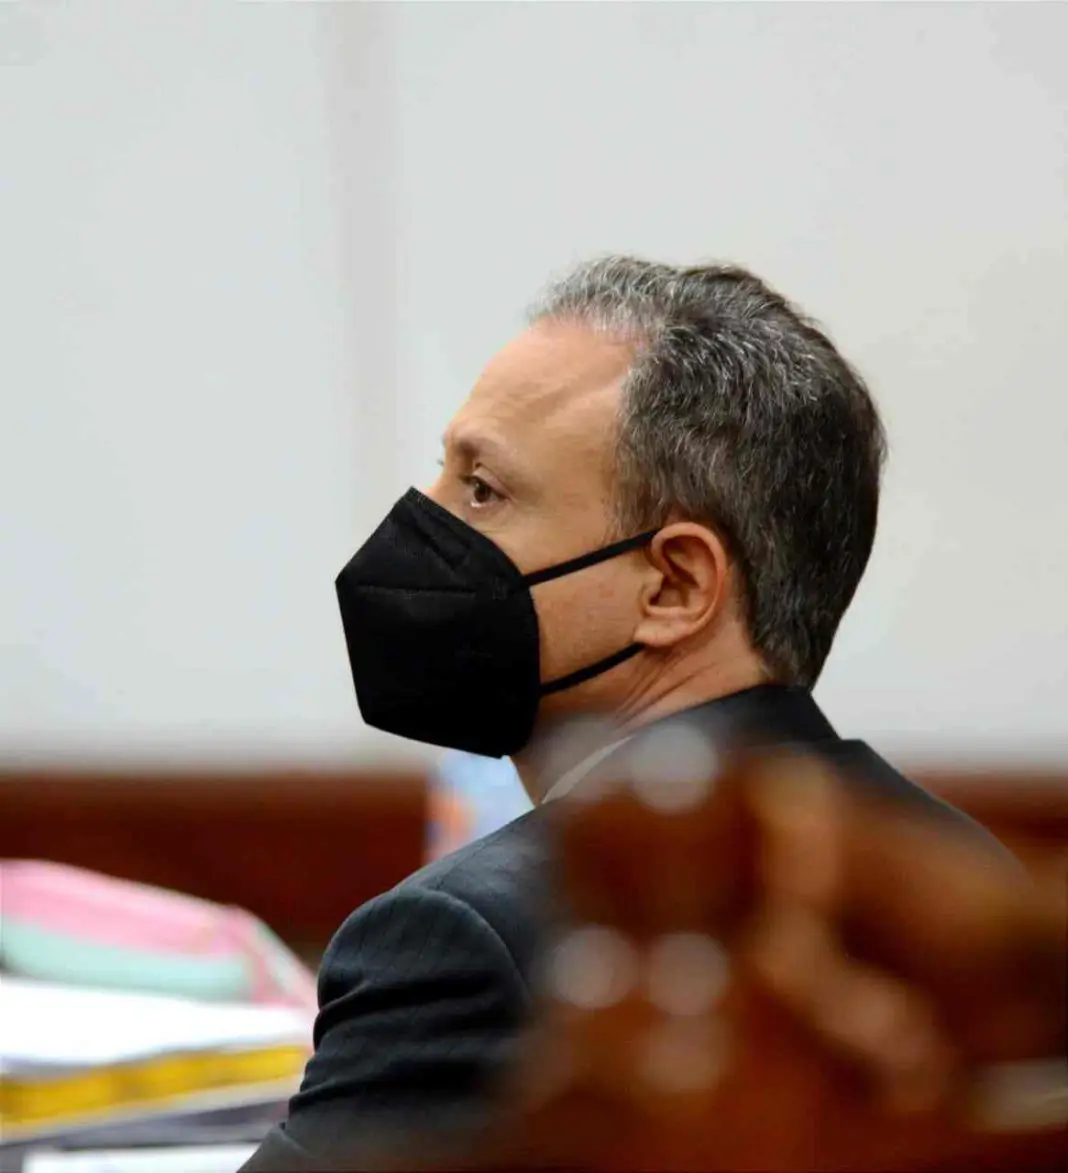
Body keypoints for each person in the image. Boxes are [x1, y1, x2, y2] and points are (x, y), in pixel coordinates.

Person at [239, 257, 994, 1171]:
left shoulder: (467, 941)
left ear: (674, 585)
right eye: (444, 474)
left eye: (483, 490)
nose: (417, 527)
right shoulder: (971, 887)